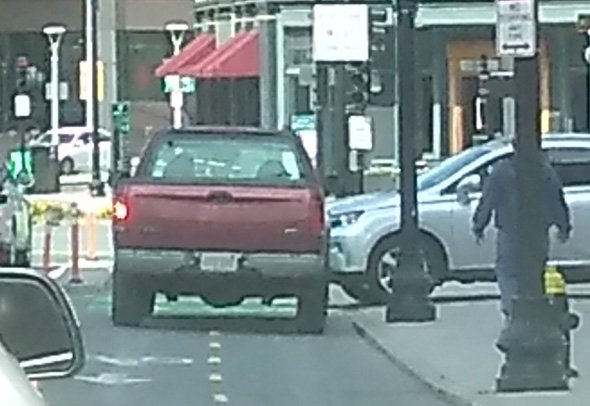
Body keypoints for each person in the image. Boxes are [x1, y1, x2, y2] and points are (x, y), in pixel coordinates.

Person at [471, 137, 572, 350]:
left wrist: (479, 224)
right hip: (538, 231)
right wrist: (563, 225)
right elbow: (557, 199)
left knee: (508, 273)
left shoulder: (502, 170)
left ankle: (512, 313)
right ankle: (534, 314)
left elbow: (488, 199)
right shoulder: (544, 170)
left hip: (509, 229)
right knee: (534, 273)